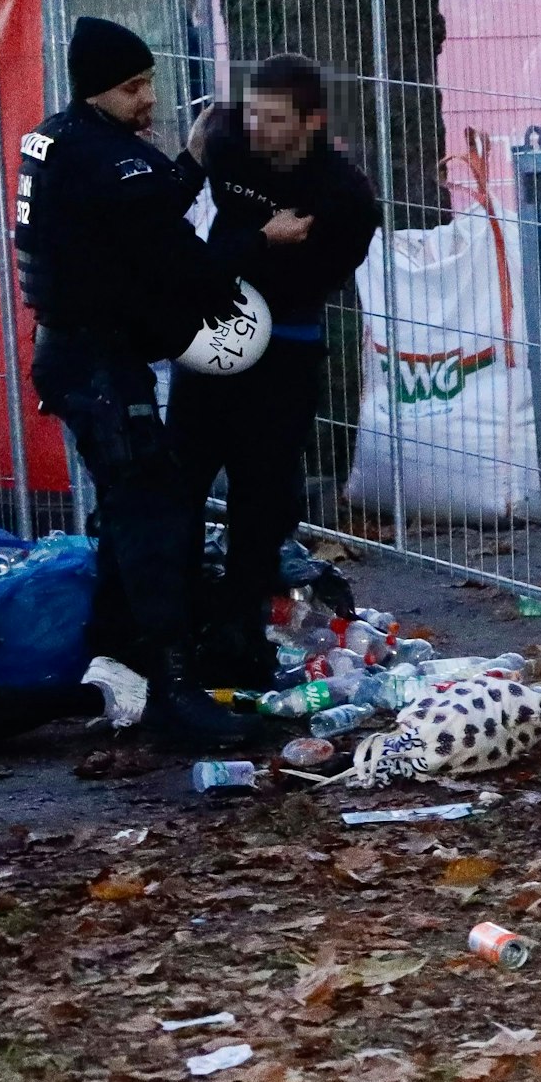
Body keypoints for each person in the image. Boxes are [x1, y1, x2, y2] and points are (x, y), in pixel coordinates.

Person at [11, 18, 305, 746]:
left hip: (74, 354)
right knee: (157, 518)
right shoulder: (113, 162)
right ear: (96, 90)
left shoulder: (59, 140)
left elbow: (135, 209)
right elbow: (184, 262)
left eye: (148, 82)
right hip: (97, 363)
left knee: (129, 508)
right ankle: (173, 692)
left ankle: (120, 662)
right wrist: (257, 240)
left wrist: (189, 165)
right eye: (132, 88)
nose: (148, 99)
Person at [173, 54, 381, 688]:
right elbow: (172, 219)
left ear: (312, 121)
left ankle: (238, 643)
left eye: (274, 117)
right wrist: (256, 239)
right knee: (175, 490)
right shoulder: (228, 137)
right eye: (252, 111)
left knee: (262, 508)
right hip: (209, 339)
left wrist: (244, 259)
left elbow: (307, 281)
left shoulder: (344, 198)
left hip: (283, 350)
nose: (257, 127)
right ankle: (163, 637)